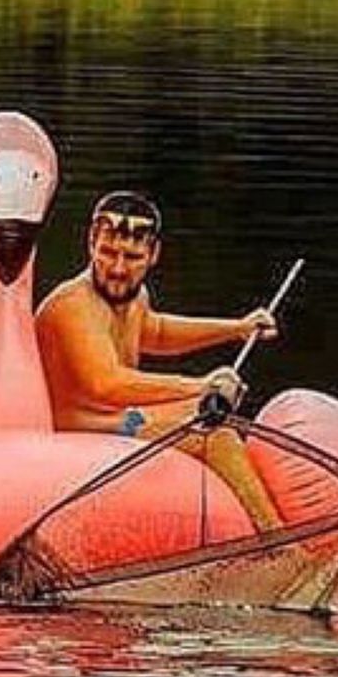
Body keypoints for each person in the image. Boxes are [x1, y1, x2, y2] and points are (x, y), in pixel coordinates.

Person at [34, 190, 284, 531]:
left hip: (116, 422)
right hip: (78, 433)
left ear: (154, 254)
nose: (118, 269)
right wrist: (199, 386)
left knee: (212, 413)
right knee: (214, 434)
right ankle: (275, 538)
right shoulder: (72, 306)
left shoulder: (134, 297)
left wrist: (238, 328)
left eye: (132, 256)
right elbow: (107, 384)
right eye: (108, 253)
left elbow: (157, 333)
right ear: (91, 243)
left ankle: (254, 531)